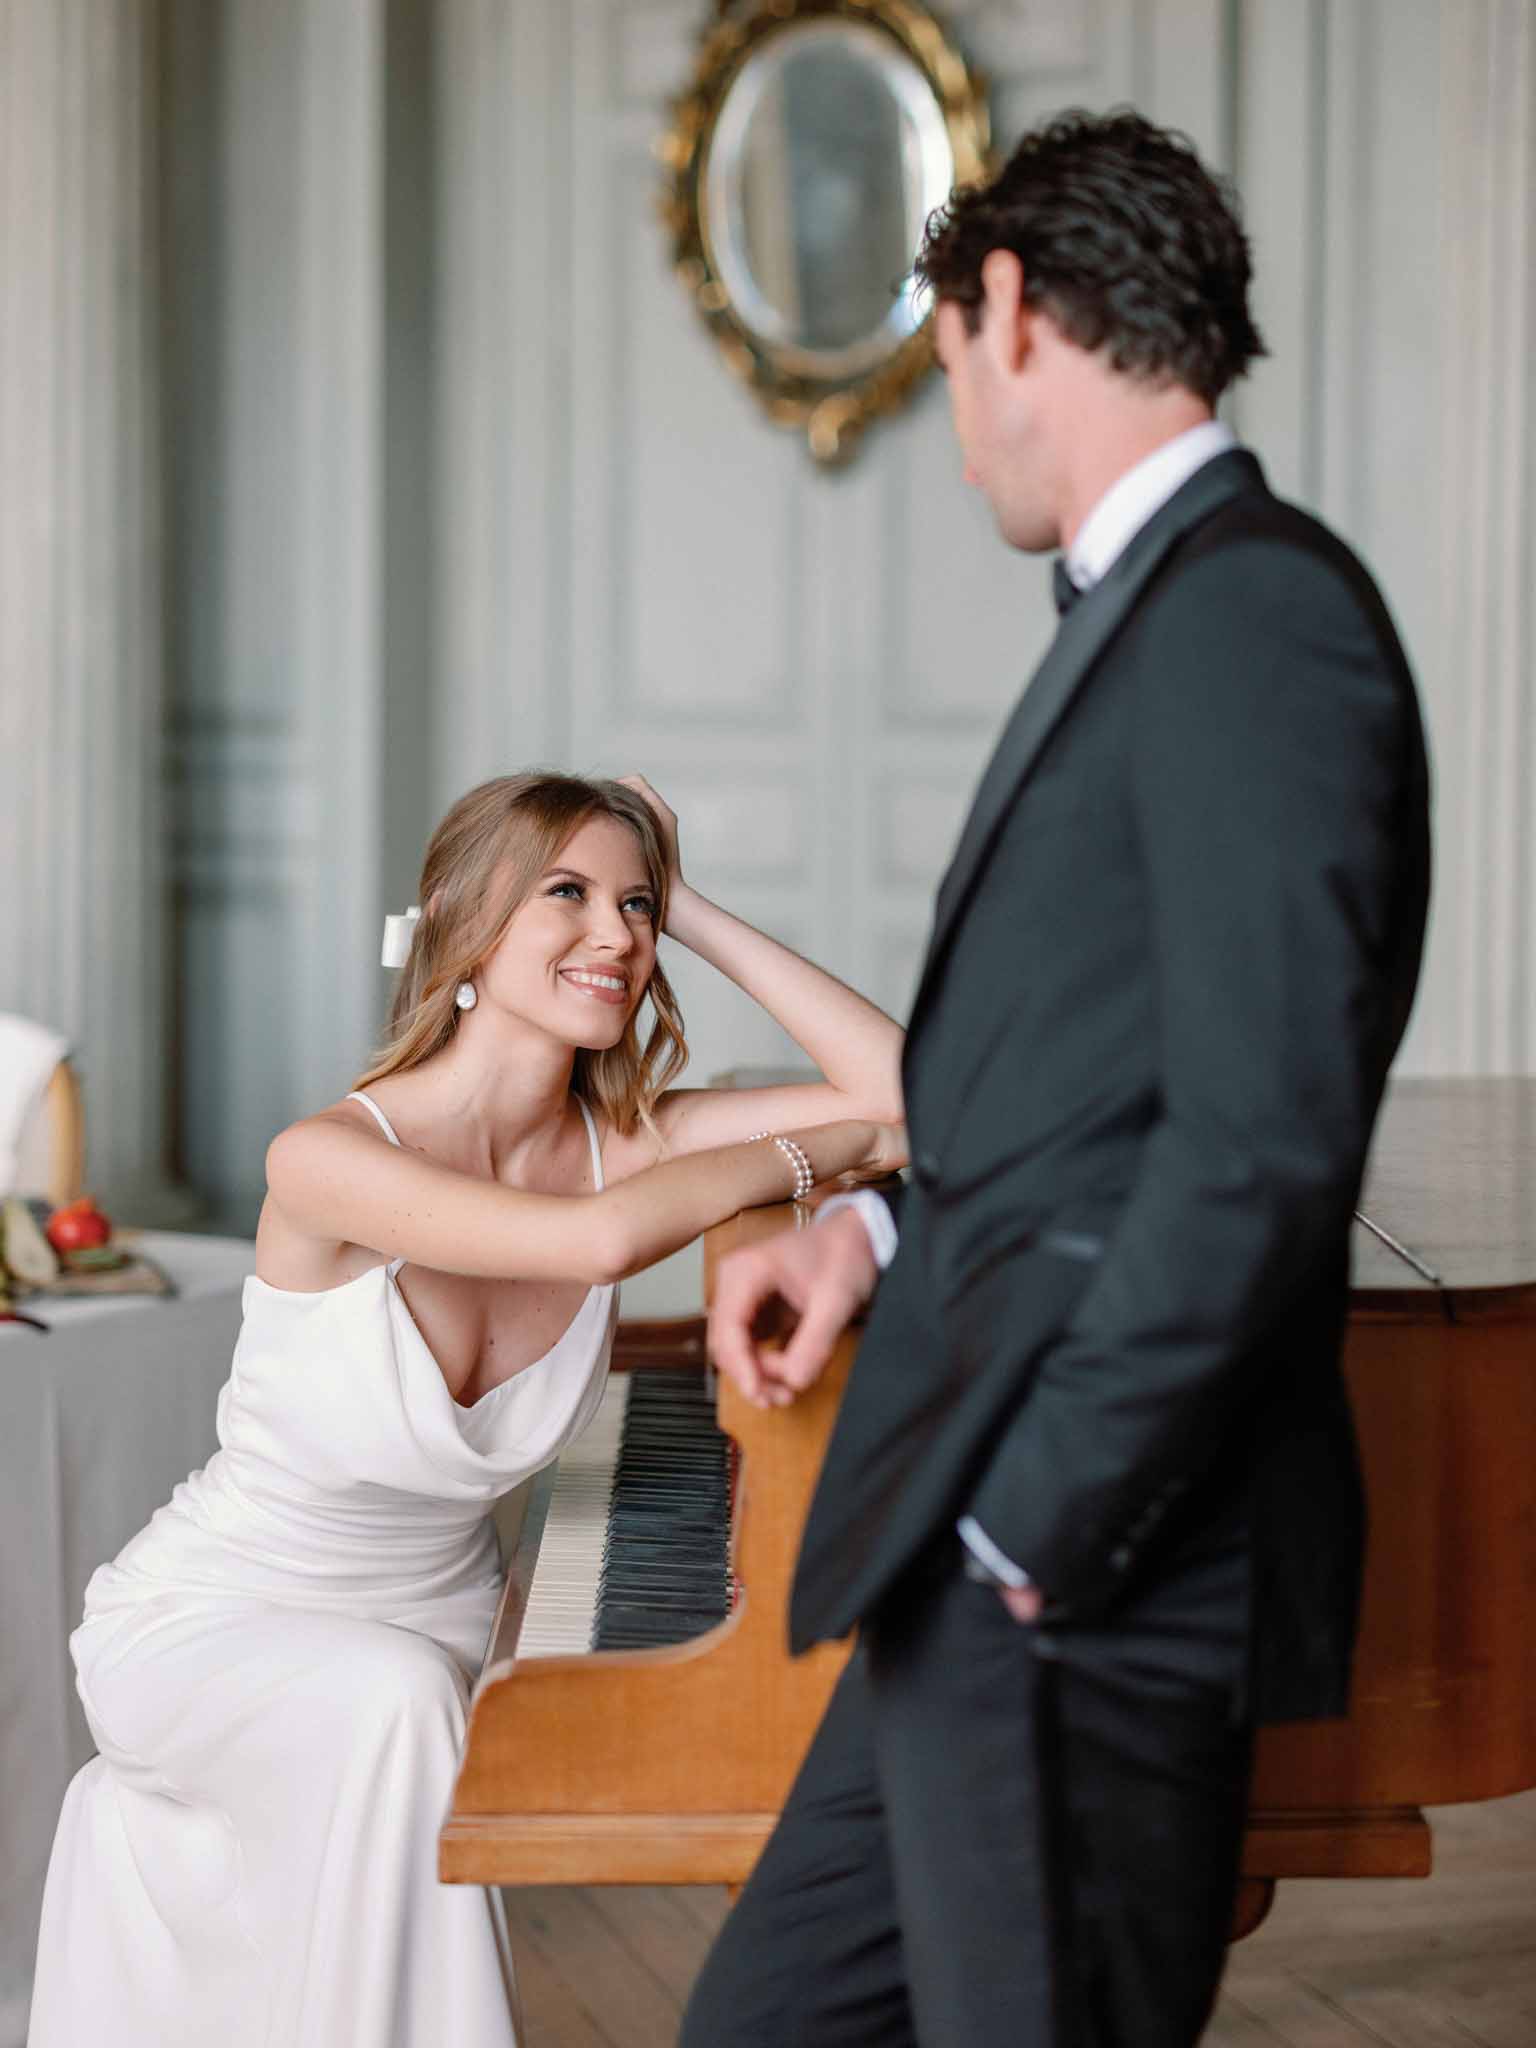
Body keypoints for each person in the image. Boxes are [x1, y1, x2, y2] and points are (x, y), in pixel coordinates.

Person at [683, 109, 1431, 2048]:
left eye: (946, 368)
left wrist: (1042, 1520)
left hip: (1074, 1571)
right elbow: (1084, 1096)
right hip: (968, 1541)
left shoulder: (1257, 614)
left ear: (1011, 304)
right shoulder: (1163, 613)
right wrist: (866, 1230)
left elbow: (1263, 1141)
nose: (957, 425)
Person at [27, 770, 904, 2048]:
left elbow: (912, 1092)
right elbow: (601, 1243)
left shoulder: (634, 1139)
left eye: (635, 905)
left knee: (401, 1692)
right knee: (389, 1699)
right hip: (213, 1623)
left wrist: (700, 909)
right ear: (464, 924)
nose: (614, 931)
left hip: (435, 1638)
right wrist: (795, 1159)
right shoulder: (326, 1158)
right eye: (568, 893)